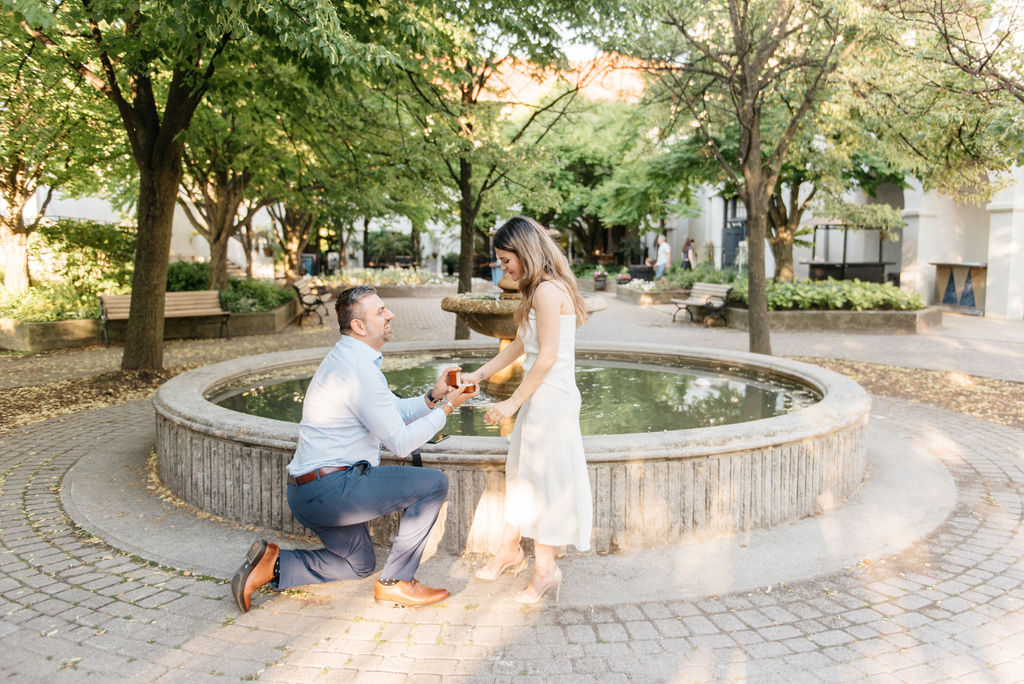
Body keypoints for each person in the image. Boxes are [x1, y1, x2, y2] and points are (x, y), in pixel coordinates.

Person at [231, 285, 478, 612]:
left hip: (309, 492)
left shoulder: (348, 359)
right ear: (359, 326)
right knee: (434, 484)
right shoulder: (359, 370)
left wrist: (433, 396)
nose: (390, 314)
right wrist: (446, 407)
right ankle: (397, 582)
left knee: (359, 562)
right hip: (332, 489)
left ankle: (273, 565)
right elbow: (401, 443)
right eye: (380, 311)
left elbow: (394, 413)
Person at [461, 216, 593, 604]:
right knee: (522, 474)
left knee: (544, 483)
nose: (503, 268)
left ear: (526, 251)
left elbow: (548, 355)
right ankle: (509, 549)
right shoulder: (536, 289)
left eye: (506, 260)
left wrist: (510, 402)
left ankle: (546, 570)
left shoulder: (549, 291)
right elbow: (523, 345)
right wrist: (479, 375)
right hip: (541, 399)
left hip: (552, 401)